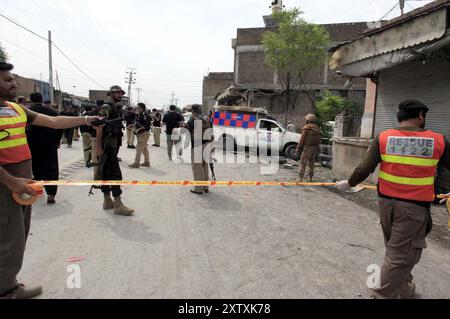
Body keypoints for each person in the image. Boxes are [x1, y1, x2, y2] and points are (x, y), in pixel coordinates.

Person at [0, 61, 100, 299]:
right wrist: (12, 182)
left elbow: (54, 122)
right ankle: (6, 291)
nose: (13, 83)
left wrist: (85, 120)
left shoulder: (15, 109)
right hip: (7, 186)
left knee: (17, 237)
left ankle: (8, 283)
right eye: (7, 79)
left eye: (12, 78)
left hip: (22, 185)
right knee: (7, 241)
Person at [336, 100, 450, 299]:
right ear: (420, 115)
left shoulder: (384, 138)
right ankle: (380, 295)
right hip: (413, 208)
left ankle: (404, 289)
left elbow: (364, 168)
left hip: (386, 204)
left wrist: (351, 183)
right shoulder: (439, 140)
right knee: (401, 255)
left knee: (395, 249)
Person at [94, 85, 134, 216]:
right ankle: (118, 204)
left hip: (112, 144)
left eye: (121, 93)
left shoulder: (115, 108)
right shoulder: (106, 107)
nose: (120, 95)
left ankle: (107, 201)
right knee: (115, 173)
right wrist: (98, 146)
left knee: (106, 171)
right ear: (110, 94)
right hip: (106, 144)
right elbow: (99, 126)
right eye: (117, 93)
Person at [26, 92, 63, 205]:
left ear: (31, 100)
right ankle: (51, 194)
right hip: (49, 145)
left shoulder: (27, 112)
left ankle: (37, 189)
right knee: (51, 168)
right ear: (42, 100)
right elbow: (60, 127)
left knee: (35, 167)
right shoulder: (51, 112)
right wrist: (57, 141)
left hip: (31, 145)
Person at [185, 104, 214, 194]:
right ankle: (205, 186)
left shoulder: (194, 119)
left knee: (197, 167)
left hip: (197, 145)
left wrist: (184, 125)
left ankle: (198, 188)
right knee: (204, 166)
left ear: (193, 111)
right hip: (207, 144)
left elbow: (187, 130)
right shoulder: (207, 118)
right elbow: (211, 132)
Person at [296, 114, 321, 182]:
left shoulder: (306, 128)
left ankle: (300, 179)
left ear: (308, 120)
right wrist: (318, 150)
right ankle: (310, 179)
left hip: (307, 148)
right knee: (311, 164)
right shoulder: (317, 128)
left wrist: (298, 148)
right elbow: (319, 140)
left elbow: (302, 139)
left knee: (303, 163)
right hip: (315, 149)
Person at [129, 103, 151, 168]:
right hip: (141, 134)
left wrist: (138, 130)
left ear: (142, 108)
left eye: (138, 107)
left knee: (139, 147)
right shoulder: (140, 115)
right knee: (144, 148)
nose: (136, 108)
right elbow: (139, 123)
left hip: (144, 133)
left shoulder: (145, 115)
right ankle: (147, 162)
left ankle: (136, 162)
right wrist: (133, 125)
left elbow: (146, 126)